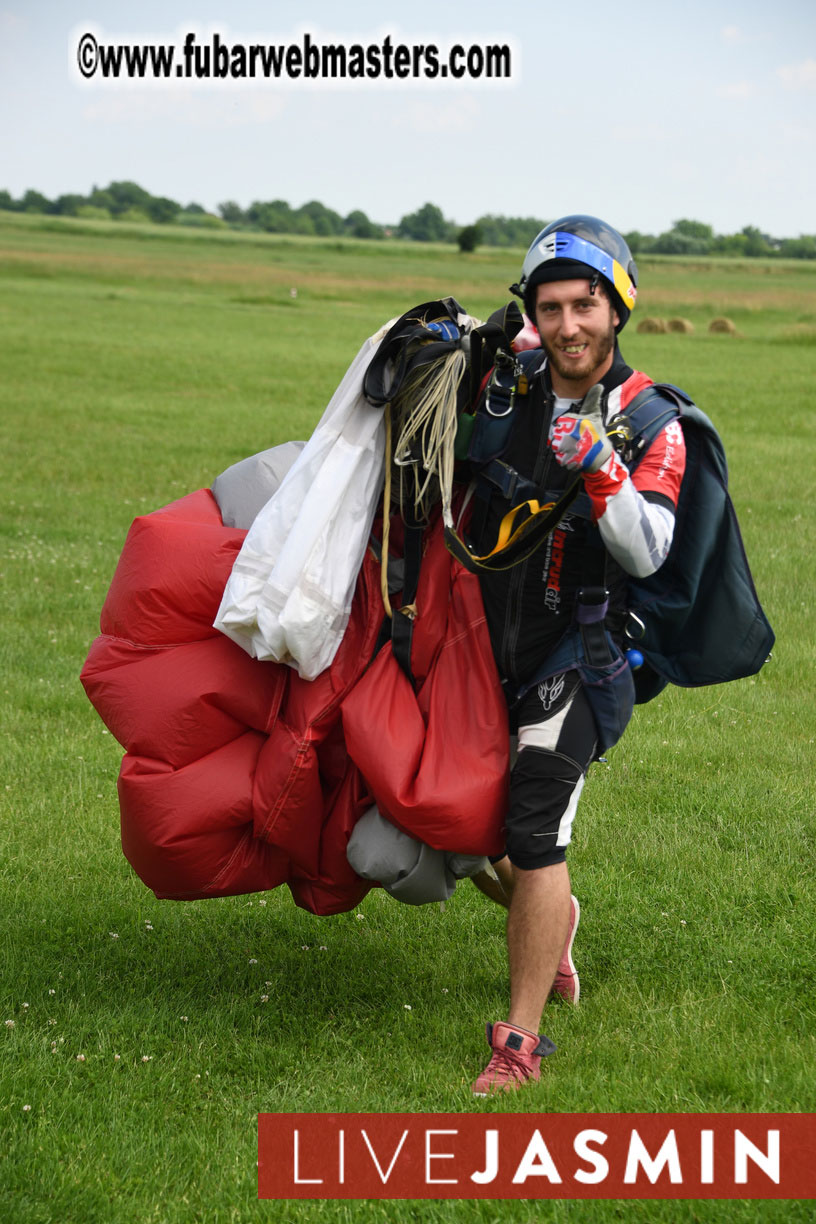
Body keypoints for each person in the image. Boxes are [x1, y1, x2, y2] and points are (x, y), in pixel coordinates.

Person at [468, 215, 687, 1095]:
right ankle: (553, 923)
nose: (569, 325)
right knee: (474, 840)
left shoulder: (651, 422)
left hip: (585, 652)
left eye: (586, 305)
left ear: (618, 307)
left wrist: (601, 467)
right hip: (493, 644)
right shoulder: (511, 382)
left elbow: (650, 553)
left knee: (536, 828)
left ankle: (518, 1044)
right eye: (552, 307)